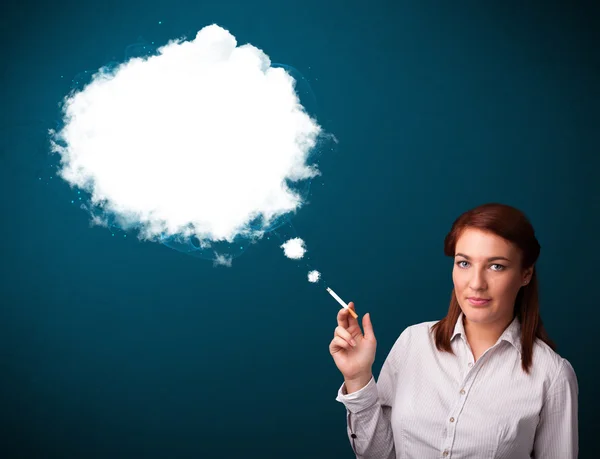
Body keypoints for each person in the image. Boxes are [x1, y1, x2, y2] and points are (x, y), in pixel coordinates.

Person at [330, 202, 578, 459]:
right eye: (464, 263)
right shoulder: (412, 342)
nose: (476, 284)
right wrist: (358, 377)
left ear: (525, 274)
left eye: (496, 266)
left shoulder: (552, 376)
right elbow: (378, 455)